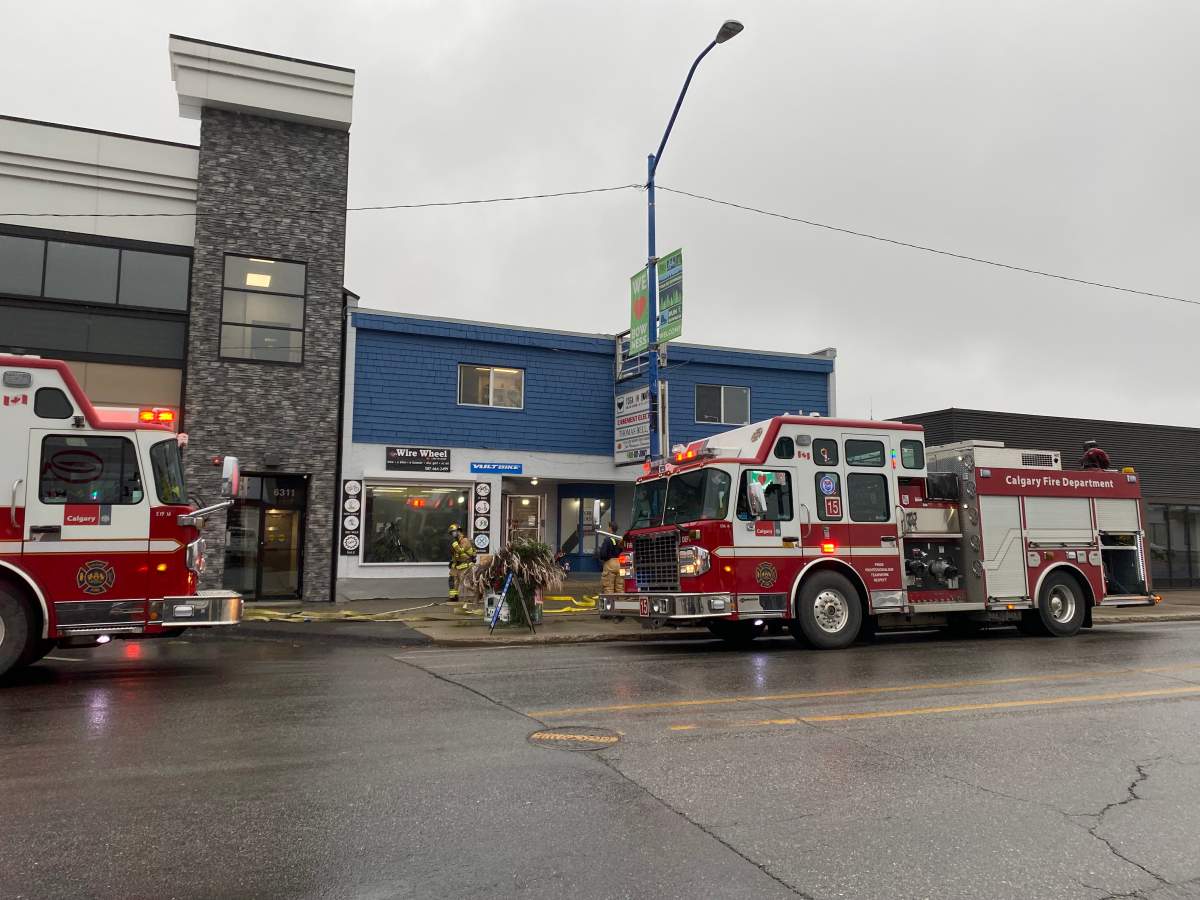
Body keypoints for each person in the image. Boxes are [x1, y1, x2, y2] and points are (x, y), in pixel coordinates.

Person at [449, 529, 478, 609]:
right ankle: (454, 597)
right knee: (453, 581)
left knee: (465, 583)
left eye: (453, 532)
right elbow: (455, 554)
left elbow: (461, 551)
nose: (452, 534)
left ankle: (475, 595)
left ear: (458, 531)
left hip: (465, 565)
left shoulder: (465, 540)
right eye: (451, 533)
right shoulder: (457, 541)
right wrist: (452, 562)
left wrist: (455, 545)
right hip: (458, 565)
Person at [598, 520, 624, 595]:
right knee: (620, 587)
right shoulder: (619, 539)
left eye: (608, 527)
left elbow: (603, 554)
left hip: (610, 564)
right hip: (620, 565)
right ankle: (621, 604)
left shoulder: (608, 539)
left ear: (610, 528)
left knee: (608, 588)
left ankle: (610, 605)